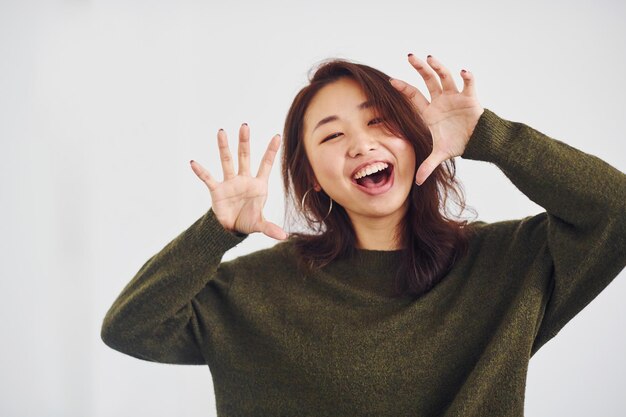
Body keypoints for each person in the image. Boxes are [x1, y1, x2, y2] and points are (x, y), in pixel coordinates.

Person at [101, 54, 626, 416]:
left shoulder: (507, 264)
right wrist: (213, 233)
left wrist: (490, 136)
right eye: (332, 135)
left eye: (379, 122)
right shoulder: (256, 290)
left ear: (416, 139)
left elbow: (617, 211)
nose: (359, 144)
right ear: (311, 176)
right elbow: (131, 327)